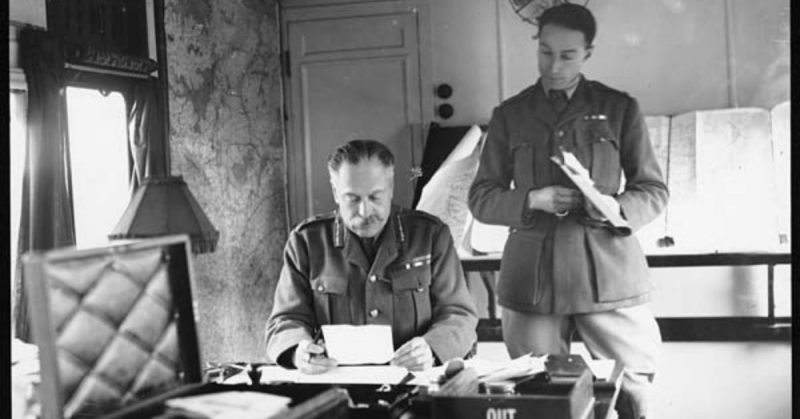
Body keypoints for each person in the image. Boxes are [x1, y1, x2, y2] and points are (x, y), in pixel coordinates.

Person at [468, 4, 668, 419]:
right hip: (533, 283)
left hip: (608, 277)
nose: (554, 66)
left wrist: (614, 207)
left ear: (588, 53)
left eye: (568, 55)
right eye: (545, 53)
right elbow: (482, 197)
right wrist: (531, 200)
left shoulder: (619, 109)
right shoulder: (510, 115)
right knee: (541, 399)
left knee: (635, 394)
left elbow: (653, 191)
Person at [266, 139, 478, 374]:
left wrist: (430, 348)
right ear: (336, 193)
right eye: (352, 199)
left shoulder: (429, 235)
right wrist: (299, 352)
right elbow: (285, 320)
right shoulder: (307, 241)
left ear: (390, 189)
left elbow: (460, 314)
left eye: (375, 197)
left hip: (415, 379)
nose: (364, 212)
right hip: (339, 382)